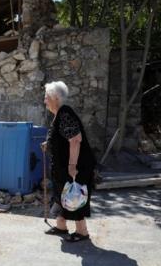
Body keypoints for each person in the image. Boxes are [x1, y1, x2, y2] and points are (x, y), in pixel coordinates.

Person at [40, 81, 97, 242]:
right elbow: (62, 139)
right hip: (63, 167)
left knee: (75, 196)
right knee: (61, 194)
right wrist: (48, 144)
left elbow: (75, 140)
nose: (45, 101)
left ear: (55, 98)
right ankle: (61, 225)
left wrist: (72, 166)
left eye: (46, 97)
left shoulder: (65, 113)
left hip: (77, 166)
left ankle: (82, 231)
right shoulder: (59, 114)